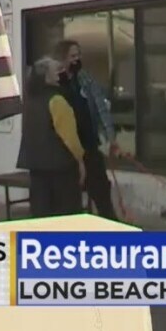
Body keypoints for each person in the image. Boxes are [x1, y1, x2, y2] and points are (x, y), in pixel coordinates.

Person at [53, 39, 119, 221]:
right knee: (70, 201)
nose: (77, 59)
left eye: (78, 55)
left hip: (89, 145)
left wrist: (111, 138)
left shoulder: (85, 79)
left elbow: (101, 108)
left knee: (102, 192)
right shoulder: (55, 83)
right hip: (66, 151)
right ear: (62, 58)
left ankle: (113, 228)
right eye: (72, 56)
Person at [15, 56, 86, 218]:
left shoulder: (30, 101)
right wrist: (81, 160)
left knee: (41, 217)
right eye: (57, 71)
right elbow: (69, 137)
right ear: (47, 76)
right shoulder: (57, 100)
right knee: (66, 217)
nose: (60, 74)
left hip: (36, 168)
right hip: (62, 169)